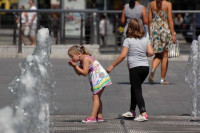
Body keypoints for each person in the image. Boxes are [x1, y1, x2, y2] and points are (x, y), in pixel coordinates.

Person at [107, 18, 154, 122]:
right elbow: (151, 52)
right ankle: (132, 110)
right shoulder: (145, 39)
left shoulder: (128, 40)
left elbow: (123, 55)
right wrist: (143, 54)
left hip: (135, 68)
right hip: (145, 68)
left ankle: (143, 113)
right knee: (135, 87)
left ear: (129, 28)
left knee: (137, 89)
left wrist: (112, 66)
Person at [68, 45, 112, 123]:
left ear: (78, 54)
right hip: (98, 78)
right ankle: (99, 116)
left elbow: (84, 73)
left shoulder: (85, 59)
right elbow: (79, 73)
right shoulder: (82, 60)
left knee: (95, 97)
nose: (71, 58)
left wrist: (75, 65)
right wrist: (74, 66)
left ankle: (92, 118)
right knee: (97, 97)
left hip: (100, 78)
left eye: (72, 56)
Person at [148, 0, 176, 85]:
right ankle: (162, 79)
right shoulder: (168, 4)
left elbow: (149, 20)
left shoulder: (151, 4)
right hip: (164, 29)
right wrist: (173, 34)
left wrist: (150, 33)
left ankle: (153, 69)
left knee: (157, 54)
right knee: (164, 55)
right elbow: (170, 19)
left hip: (154, 30)